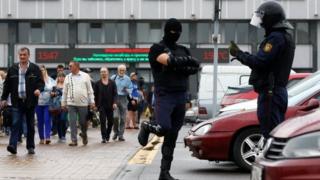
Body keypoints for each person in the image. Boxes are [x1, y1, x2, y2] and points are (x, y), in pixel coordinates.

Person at [138, 18, 199, 180]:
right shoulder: (157, 48)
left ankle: (164, 172)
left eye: (179, 31)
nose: (176, 34)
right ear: (167, 31)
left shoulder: (183, 49)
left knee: (172, 136)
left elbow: (194, 68)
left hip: (181, 95)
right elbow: (169, 60)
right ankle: (146, 126)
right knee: (163, 127)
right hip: (165, 94)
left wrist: (177, 64)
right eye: (174, 31)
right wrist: (181, 64)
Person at [228, 1, 295, 139]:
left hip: (271, 92)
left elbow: (260, 62)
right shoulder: (284, 36)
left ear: (269, 19)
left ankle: (272, 160)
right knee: (275, 131)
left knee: (270, 133)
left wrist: (239, 54)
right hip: (275, 91)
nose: (261, 23)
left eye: (262, 18)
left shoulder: (275, 38)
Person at [1, 47, 45, 155]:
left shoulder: (35, 68)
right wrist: (3, 98)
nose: (22, 57)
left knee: (30, 125)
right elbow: (7, 85)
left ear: (28, 55)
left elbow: (41, 83)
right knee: (15, 123)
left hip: (30, 101)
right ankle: (12, 146)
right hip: (17, 101)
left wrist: (39, 89)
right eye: (20, 55)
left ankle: (30, 147)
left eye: (24, 55)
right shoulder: (13, 68)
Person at [61, 61, 95, 146]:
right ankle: (74, 140)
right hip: (71, 103)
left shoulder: (85, 76)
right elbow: (64, 91)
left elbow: (90, 90)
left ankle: (84, 135)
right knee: (72, 122)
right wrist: (63, 103)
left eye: (71, 66)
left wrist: (92, 101)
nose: (69, 67)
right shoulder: (67, 77)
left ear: (76, 66)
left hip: (83, 104)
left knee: (83, 122)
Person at [94, 67, 118, 143]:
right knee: (103, 121)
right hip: (101, 105)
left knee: (111, 122)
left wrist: (114, 103)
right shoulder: (97, 83)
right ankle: (103, 137)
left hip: (110, 105)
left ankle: (108, 134)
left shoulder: (112, 82)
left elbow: (115, 94)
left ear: (107, 72)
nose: (103, 73)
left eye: (104, 71)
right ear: (100, 73)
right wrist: (95, 104)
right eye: (101, 72)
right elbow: (95, 95)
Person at [111, 65, 132, 141]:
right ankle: (115, 132)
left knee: (123, 118)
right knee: (115, 117)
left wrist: (127, 90)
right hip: (115, 99)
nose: (122, 71)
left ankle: (121, 135)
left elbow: (131, 90)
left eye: (123, 70)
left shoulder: (127, 79)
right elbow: (109, 87)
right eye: (120, 70)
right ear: (118, 70)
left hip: (123, 99)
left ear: (125, 71)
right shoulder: (113, 78)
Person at [36, 65, 56, 145]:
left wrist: (53, 93)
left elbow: (55, 90)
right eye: (40, 70)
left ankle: (47, 137)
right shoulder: (36, 80)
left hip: (48, 103)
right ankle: (41, 138)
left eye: (43, 70)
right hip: (38, 104)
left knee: (47, 120)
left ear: (46, 70)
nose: (42, 72)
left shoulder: (51, 80)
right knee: (40, 121)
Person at [50, 72, 67, 143]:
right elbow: (51, 96)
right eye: (60, 76)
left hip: (64, 105)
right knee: (58, 121)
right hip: (56, 106)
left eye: (62, 76)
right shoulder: (54, 86)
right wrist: (53, 94)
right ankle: (60, 136)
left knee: (63, 120)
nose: (61, 78)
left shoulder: (67, 86)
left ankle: (63, 135)